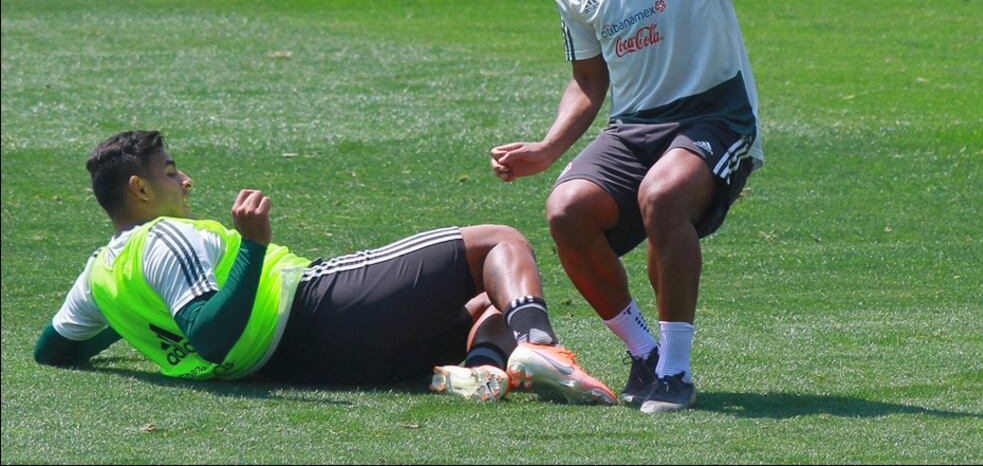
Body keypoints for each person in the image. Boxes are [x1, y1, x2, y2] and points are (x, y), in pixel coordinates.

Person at [490, 0, 888, 413]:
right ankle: (645, 351)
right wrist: (547, 149)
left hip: (716, 114)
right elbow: (588, 81)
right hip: (635, 125)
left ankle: (675, 371)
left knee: (662, 195)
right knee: (566, 210)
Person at [35, 130, 617, 405]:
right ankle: (542, 344)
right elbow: (210, 337)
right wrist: (254, 246)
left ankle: (483, 370)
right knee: (497, 242)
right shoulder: (168, 239)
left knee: (492, 305)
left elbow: (52, 350)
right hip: (316, 307)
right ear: (137, 188)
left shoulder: (100, 277)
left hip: (309, 363)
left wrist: (132, 321)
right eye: (168, 172)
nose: (184, 180)